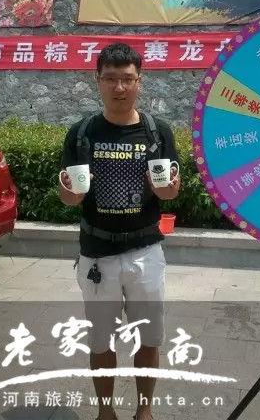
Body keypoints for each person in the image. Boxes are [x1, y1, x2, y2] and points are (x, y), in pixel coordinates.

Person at [59, 42, 181, 420]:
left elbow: (170, 191)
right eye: (110, 79)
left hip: (146, 252)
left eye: (127, 79)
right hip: (97, 255)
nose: (119, 87)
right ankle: (105, 412)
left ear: (139, 81)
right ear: (97, 80)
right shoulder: (81, 134)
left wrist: (168, 189)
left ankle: (144, 411)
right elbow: (69, 198)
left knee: (149, 337)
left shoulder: (158, 132)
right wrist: (70, 193)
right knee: (101, 340)